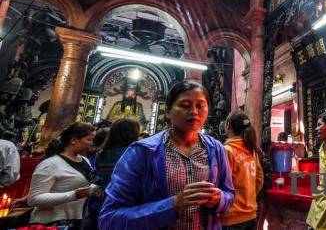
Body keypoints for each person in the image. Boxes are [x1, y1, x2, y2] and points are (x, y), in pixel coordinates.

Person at [99, 80, 235, 230]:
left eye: (200, 106)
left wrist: (218, 199)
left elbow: (229, 194)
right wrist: (172, 205)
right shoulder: (142, 152)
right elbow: (109, 218)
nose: (194, 112)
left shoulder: (216, 149)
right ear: (168, 111)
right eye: (185, 105)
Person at [27, 122, 97, 228]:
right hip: (52, 223)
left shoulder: (85, 160)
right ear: (73, 140)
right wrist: (73, 195)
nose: (91, 143)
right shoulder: (51, 164)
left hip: (77, 220)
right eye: (89, 139)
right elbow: (34, 199)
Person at [83, 119, 140, 230]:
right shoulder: (136, 152)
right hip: (129, 204)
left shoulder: (102, 153)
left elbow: (96, 176)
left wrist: (97, 187)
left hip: (105, 202)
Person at [220, 111, 263, 230]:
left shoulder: (227, 150)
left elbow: (222, 184)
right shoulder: (251, 149)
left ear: (228, 126)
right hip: (251, 214)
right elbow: (259, 178)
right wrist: (249, 196)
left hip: (232, 217)